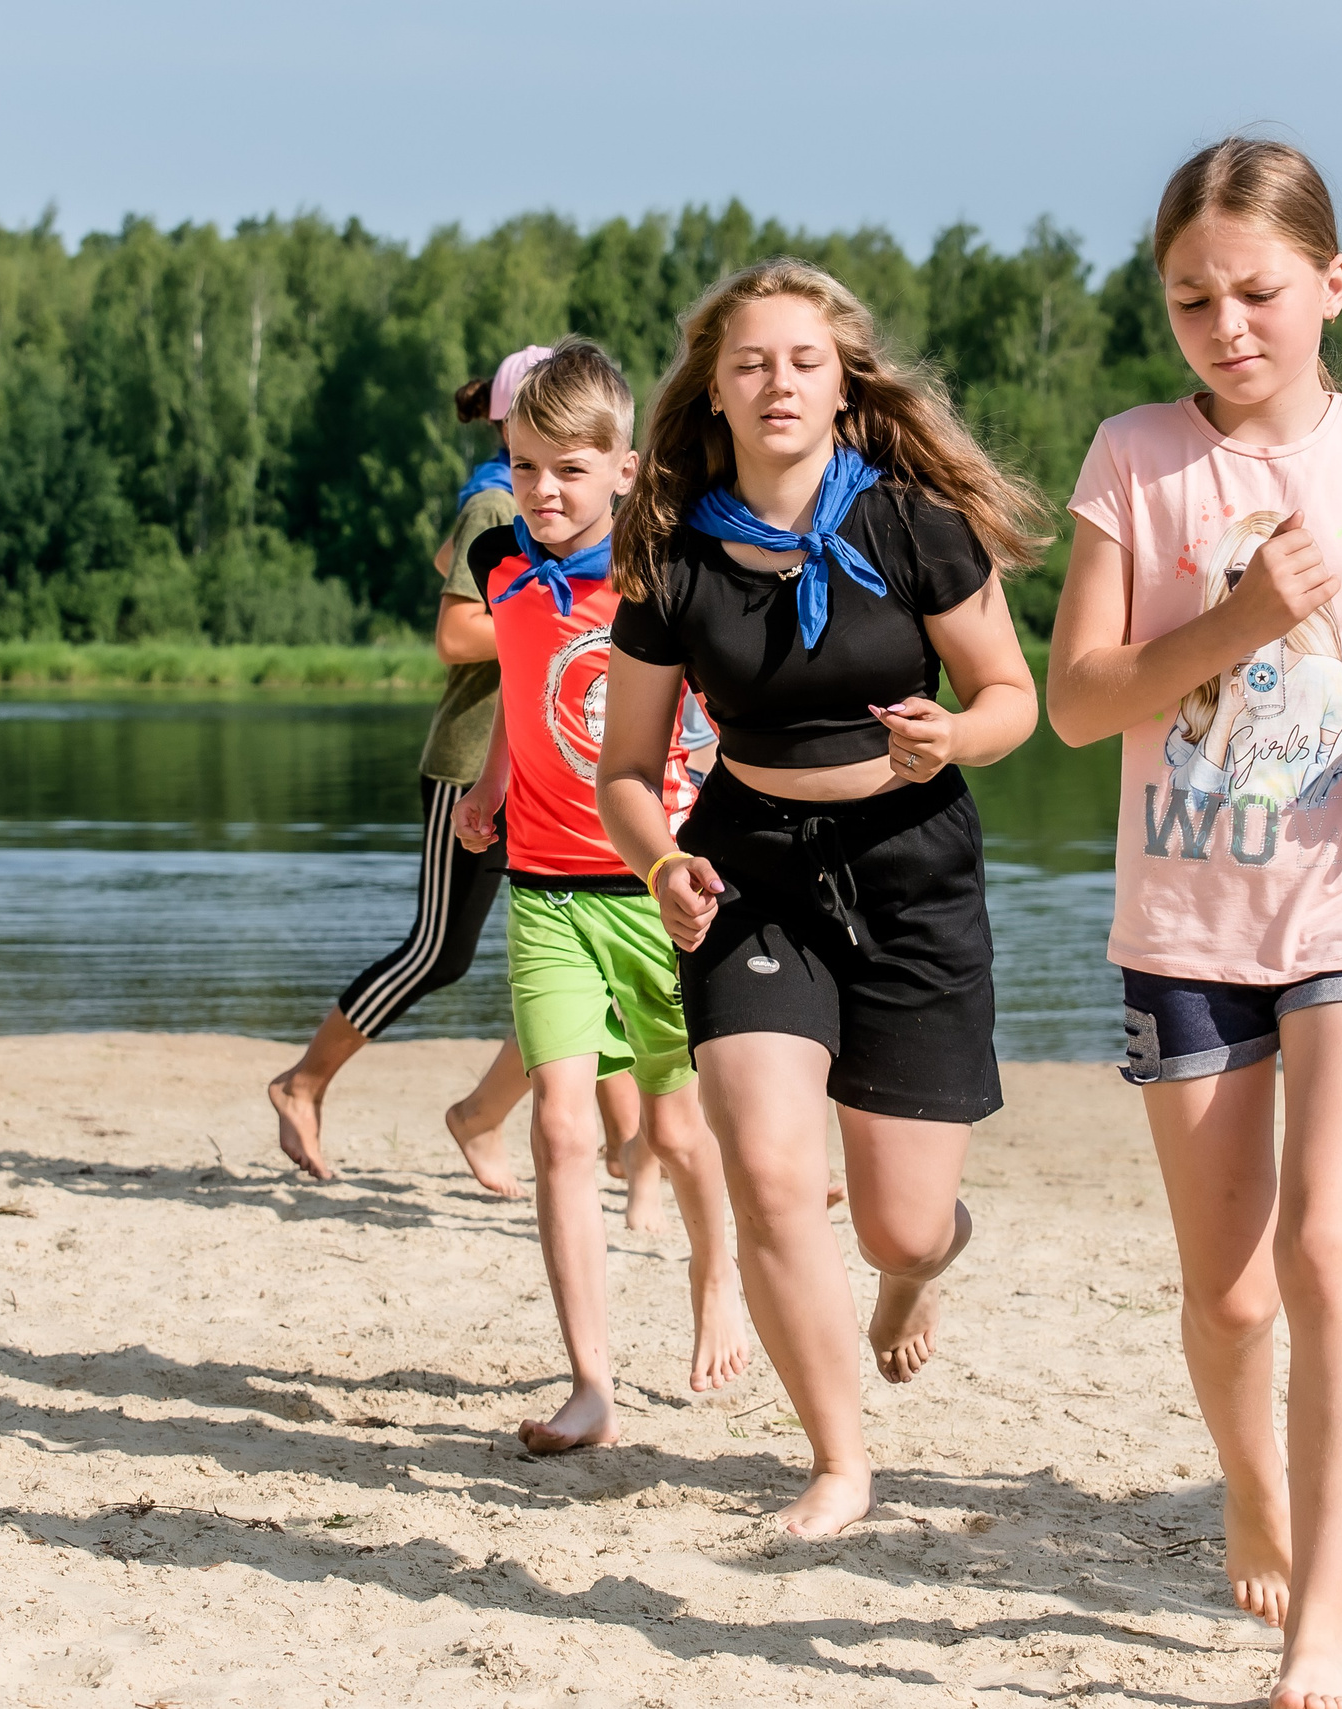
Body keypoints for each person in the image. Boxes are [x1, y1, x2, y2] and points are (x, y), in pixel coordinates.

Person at [1045, 139, 1342, 1709]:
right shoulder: (1134, 456)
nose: (1226, 323)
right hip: (1184, 920)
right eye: (1192, 298)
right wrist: (1243, 615)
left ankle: (1324, 1616)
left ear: (1330, 284)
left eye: (1257, 291)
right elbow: (1073, 706)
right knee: (1231, 1291)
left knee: (1328, 1246)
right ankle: (1248, 1483)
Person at [597, 257, 1045, 1536]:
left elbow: (1014, 699)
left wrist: (951, 740)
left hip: (911, 870)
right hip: (747, 872)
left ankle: (914, 1277)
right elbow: (627, 769)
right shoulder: (671, 556)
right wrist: (659, 859)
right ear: (717, 390)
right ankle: (839, 1460)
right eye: (751, 362)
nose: (777, 381)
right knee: (772, 1172)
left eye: (802, 359)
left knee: (901, 1226)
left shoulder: (910, 527)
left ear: (843, 382)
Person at [450, 338, 750, 1442]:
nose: (543, 491)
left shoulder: (657, 580)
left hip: (653, 888)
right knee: (562, 1132)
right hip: (544, 890)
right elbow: (525, 704)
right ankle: (590, 1381)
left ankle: (716, 1272)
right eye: (525, 467)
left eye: (571, 468)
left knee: (676, 1129)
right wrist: (488, 789)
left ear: (624, 468)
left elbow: (713, 708)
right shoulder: (505, 575)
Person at [268, 349, 546, 1194]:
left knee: (576, 945)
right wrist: (556, 626)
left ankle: (538, 1125)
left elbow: (444, 560)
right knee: (438, 951)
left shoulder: (507, 499)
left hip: (544, 765)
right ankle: (301, 1082)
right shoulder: (498, 500)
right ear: (512, 422)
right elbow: (457, 634)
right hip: (471, 765)